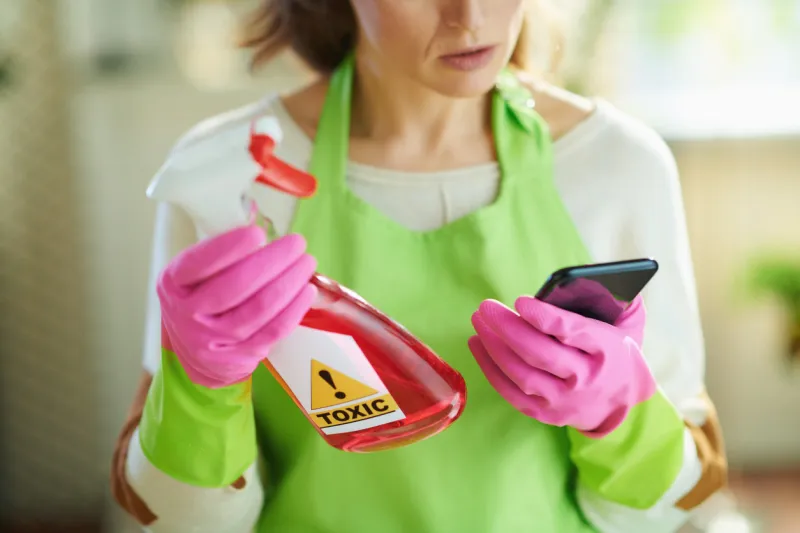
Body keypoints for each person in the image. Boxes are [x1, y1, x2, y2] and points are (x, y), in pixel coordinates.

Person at [111, 1, 728, 531]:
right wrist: (198, 389)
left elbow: (673, 509)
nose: (470, 16)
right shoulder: (225, 178)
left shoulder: (617, 167)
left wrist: (620, 418)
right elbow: (175, 518)